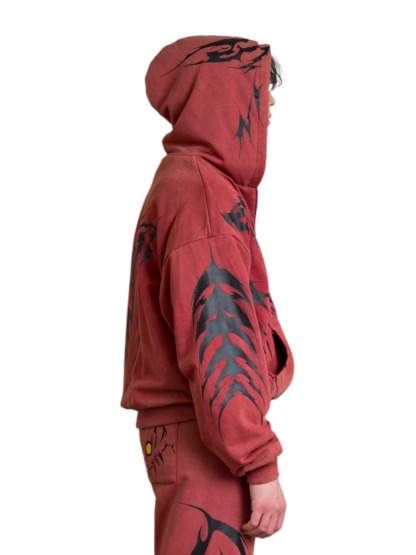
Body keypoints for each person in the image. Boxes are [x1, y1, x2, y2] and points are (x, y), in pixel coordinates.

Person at [120, 34, 296, 555]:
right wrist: (259, 462)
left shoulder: (183, 181)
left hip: (193, 431)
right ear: (224, 97)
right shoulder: (200, 195)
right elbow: (218, 338)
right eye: (261, 93)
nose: (270, 108)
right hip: (206, 438)